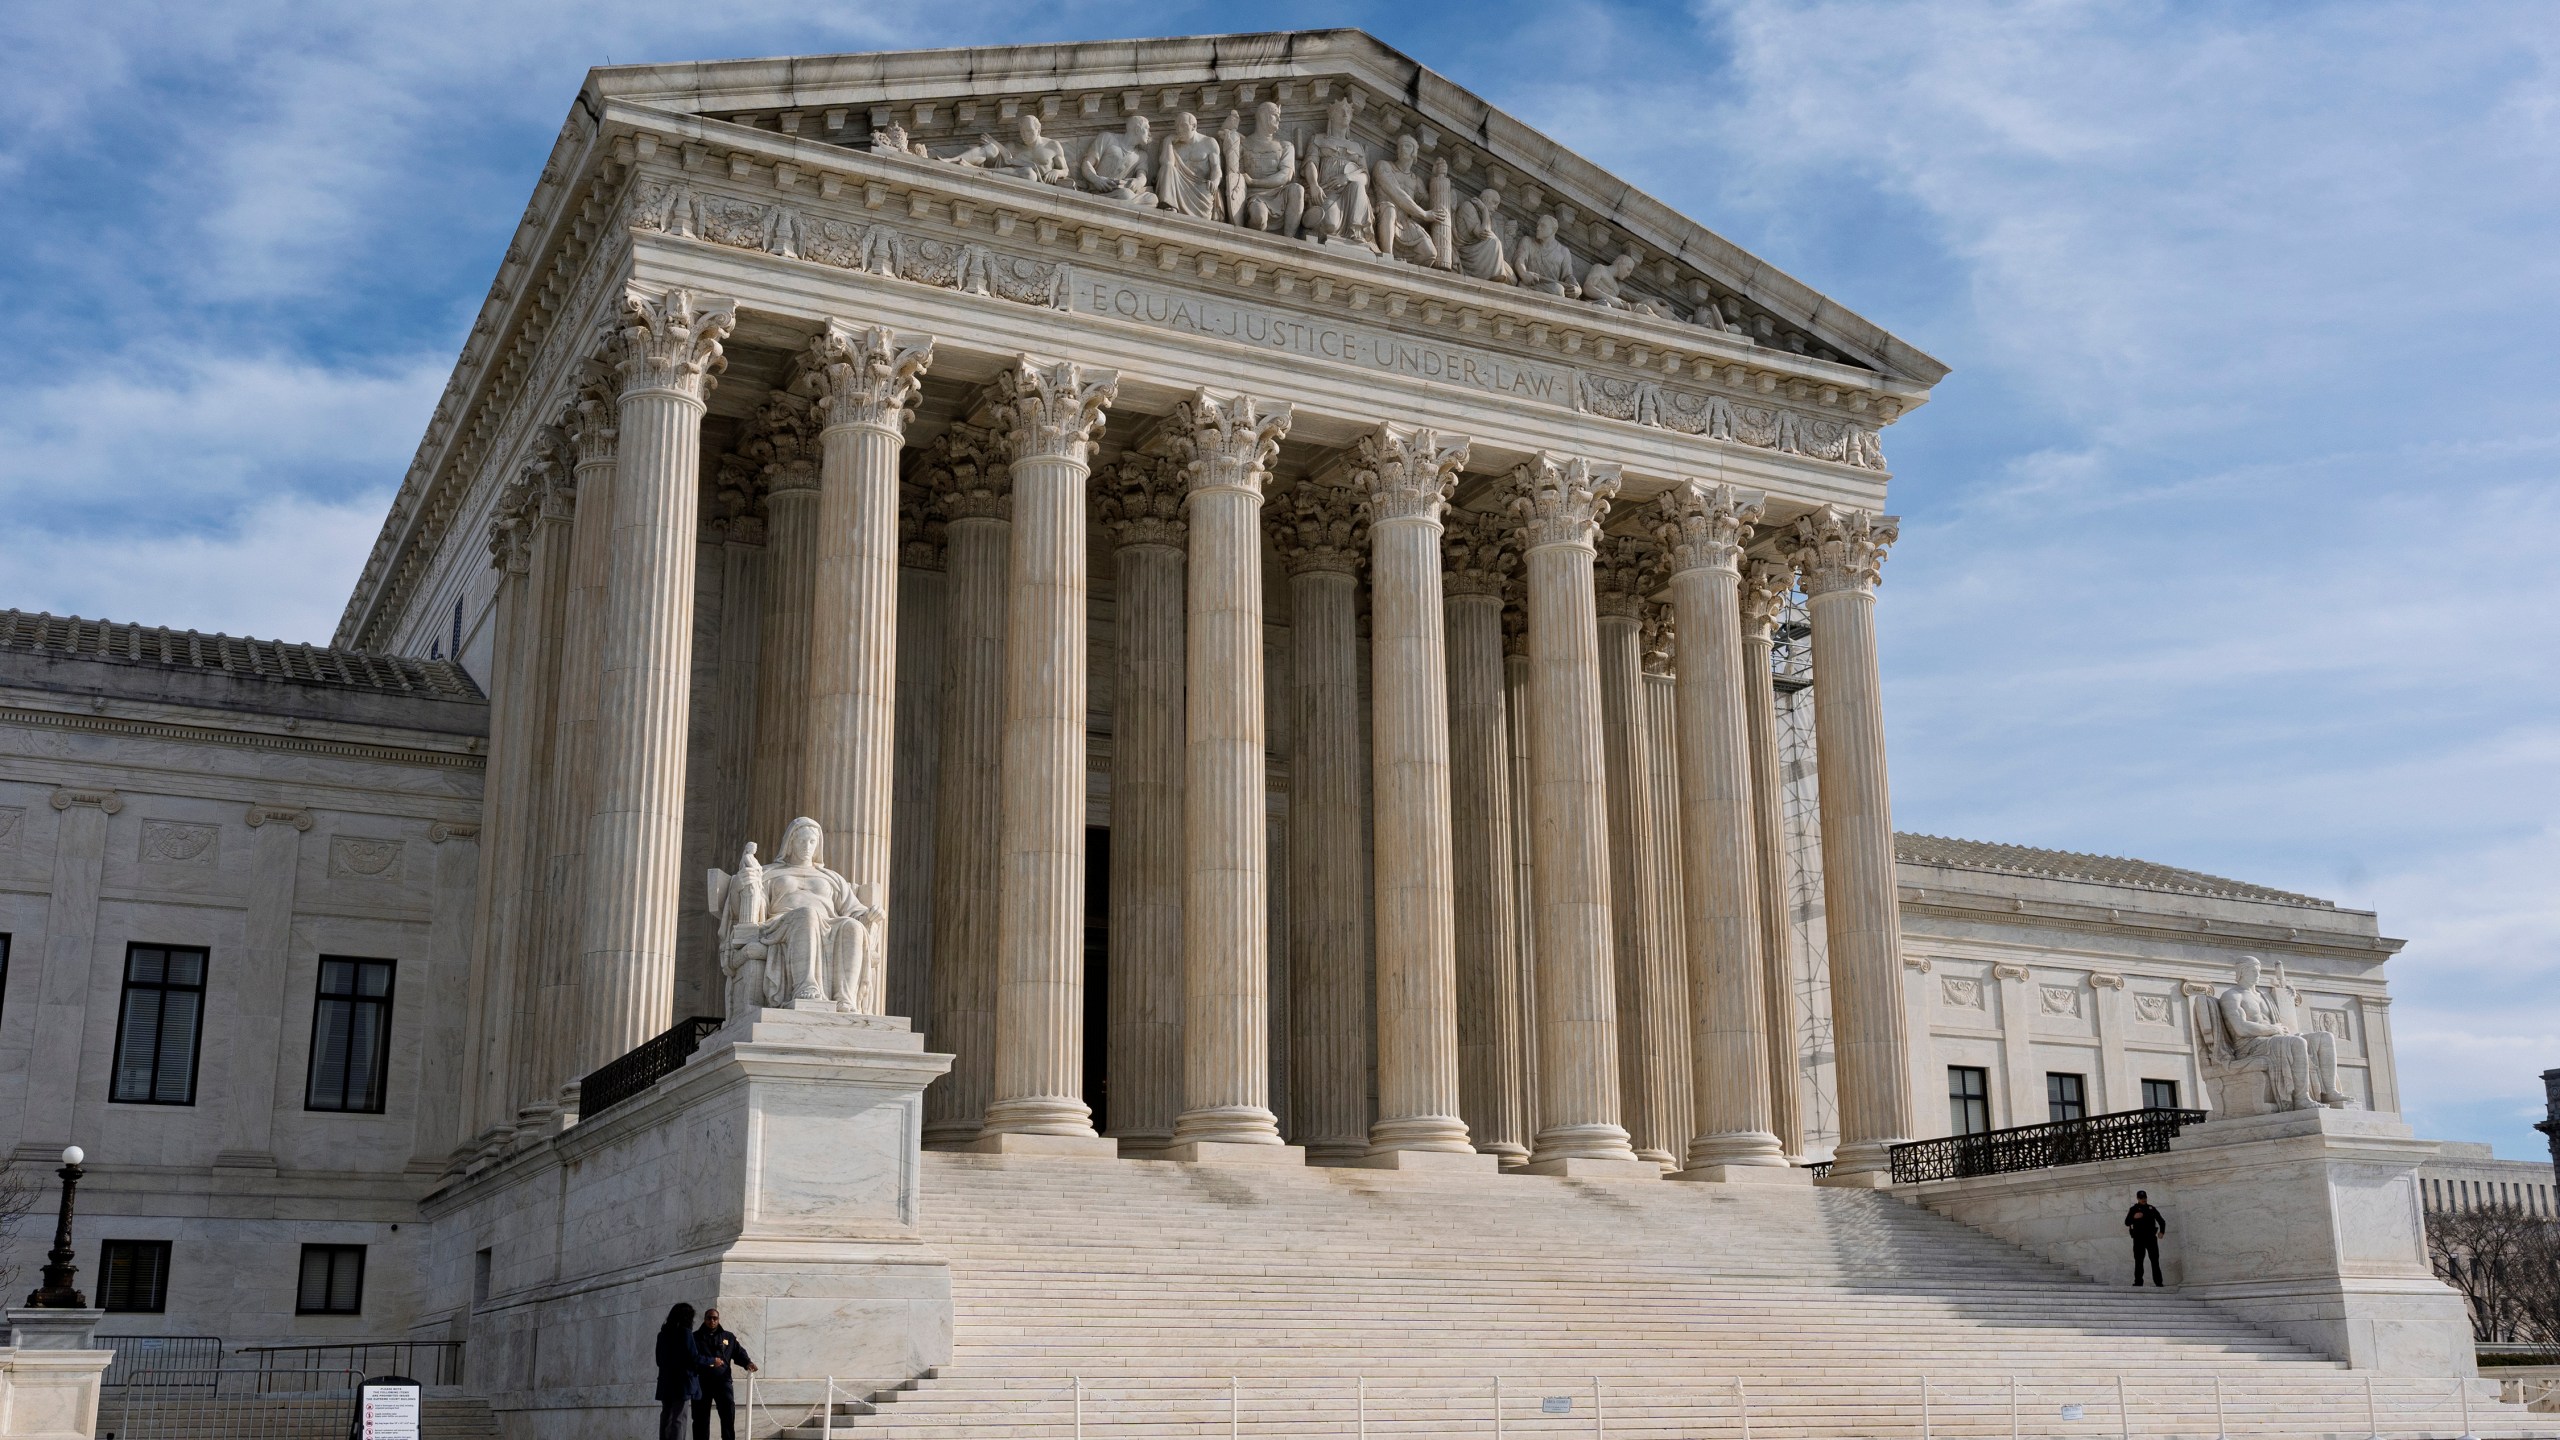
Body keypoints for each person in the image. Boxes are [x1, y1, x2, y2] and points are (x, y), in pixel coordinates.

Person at [690, 1307, 759, 1440]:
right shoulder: (695, 1337)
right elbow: (692, 1358)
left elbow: (739, 1353)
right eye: (709, 1318)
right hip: (701, 1383)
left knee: (728, 1416)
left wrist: (747, 1363)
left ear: (718, 1320)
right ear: (704, 1319)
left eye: (715, 1318)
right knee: (700, 1419)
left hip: (723, 1383)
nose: (712, 1321)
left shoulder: (728, 1337)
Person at [653, 1303, 707, 1440]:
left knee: (666, 1415)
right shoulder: (685, 1333)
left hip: (665, 1381)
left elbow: (659, 1360)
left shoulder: (662, 1334)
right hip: (682, 1382)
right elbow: (694, 1357)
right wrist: (713, 1361)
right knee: (679, 1418)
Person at [2125, 1190, 2167, 1287]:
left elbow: (2162, 1221)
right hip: (2138, 1239)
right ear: (2137, 1198)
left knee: (2155, 1260)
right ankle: (2138, 1282)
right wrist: (2134, 1217)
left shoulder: (2151, 1208)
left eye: (2144, 1198)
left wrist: (2162, 1232)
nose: (2143, 1199)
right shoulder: (2133, 1209)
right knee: (2139, 1261)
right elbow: (2127, 1222)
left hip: (2151, 1238)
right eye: (2141, 1198)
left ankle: (2158, 1282)